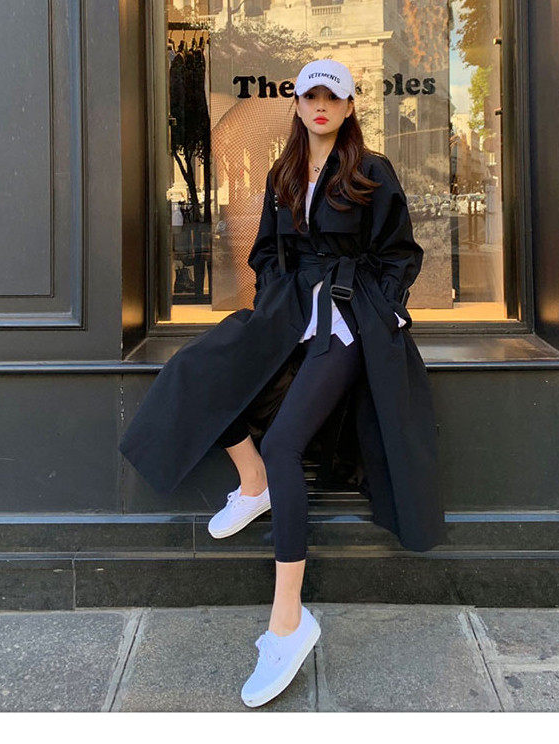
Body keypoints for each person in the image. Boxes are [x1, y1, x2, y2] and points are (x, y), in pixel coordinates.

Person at [118, 57, 445, 709]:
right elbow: (267, 251)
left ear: (348, 107)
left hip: (348, 320)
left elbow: (400, 254)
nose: (320, 105)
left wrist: (376, 310)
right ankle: (253, 482)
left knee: (285, 443)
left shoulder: (372, 170)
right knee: (200, 370)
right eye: (309, 96)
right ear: (296, 105)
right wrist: (275, 303)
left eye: (332, 96)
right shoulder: (283, 172)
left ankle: (288, 622)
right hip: (291, 308)